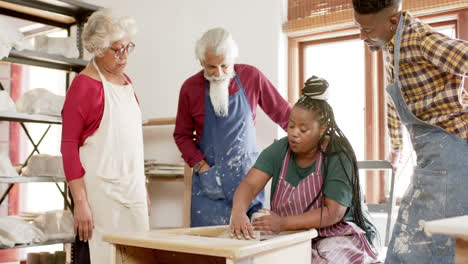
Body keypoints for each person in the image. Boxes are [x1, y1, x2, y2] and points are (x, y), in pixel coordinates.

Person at [353, 0, 468, 263]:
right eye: (358, 27)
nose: (362, 36)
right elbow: (395, 102)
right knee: (404, 246)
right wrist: (396, 148)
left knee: (421, 249)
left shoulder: (420, 40)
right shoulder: (390, 47)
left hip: (453, 157)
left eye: (368, 30)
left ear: (393, 21)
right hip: (432, 159)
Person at [230, 76, 379, 263]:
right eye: (291, 125)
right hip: (292, 234)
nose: (294, 133)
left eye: (303, 129)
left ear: (322, 129)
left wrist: (283, 222)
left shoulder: (337, 155)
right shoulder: (279, 150)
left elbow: (333, 213)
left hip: (335, 234)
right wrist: (238, 211)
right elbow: (250, 184)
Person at [173, 27, 291, 227]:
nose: (218, 73)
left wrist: (310, 139)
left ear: (233, 58)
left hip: (248, 180)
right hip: (209, 186)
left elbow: (284, 114)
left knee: (248, 248)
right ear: (201, 62)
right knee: (209, 251)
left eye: (224, 65)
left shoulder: (251, 77)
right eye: (211, 67)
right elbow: (182, 135)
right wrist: (202, 168)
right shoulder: (189, 88)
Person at [61, 9, 149, 263]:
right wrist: (80, 203)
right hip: (100, 196)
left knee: (138, 256)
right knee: (105, 256)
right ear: (98, 49)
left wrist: (142, 187)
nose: (124, 57)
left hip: (132, 190)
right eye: (116, 50)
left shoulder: (126, 82)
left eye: (127, 48)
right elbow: (69, 149)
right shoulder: (83, 87)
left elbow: (132, 143)